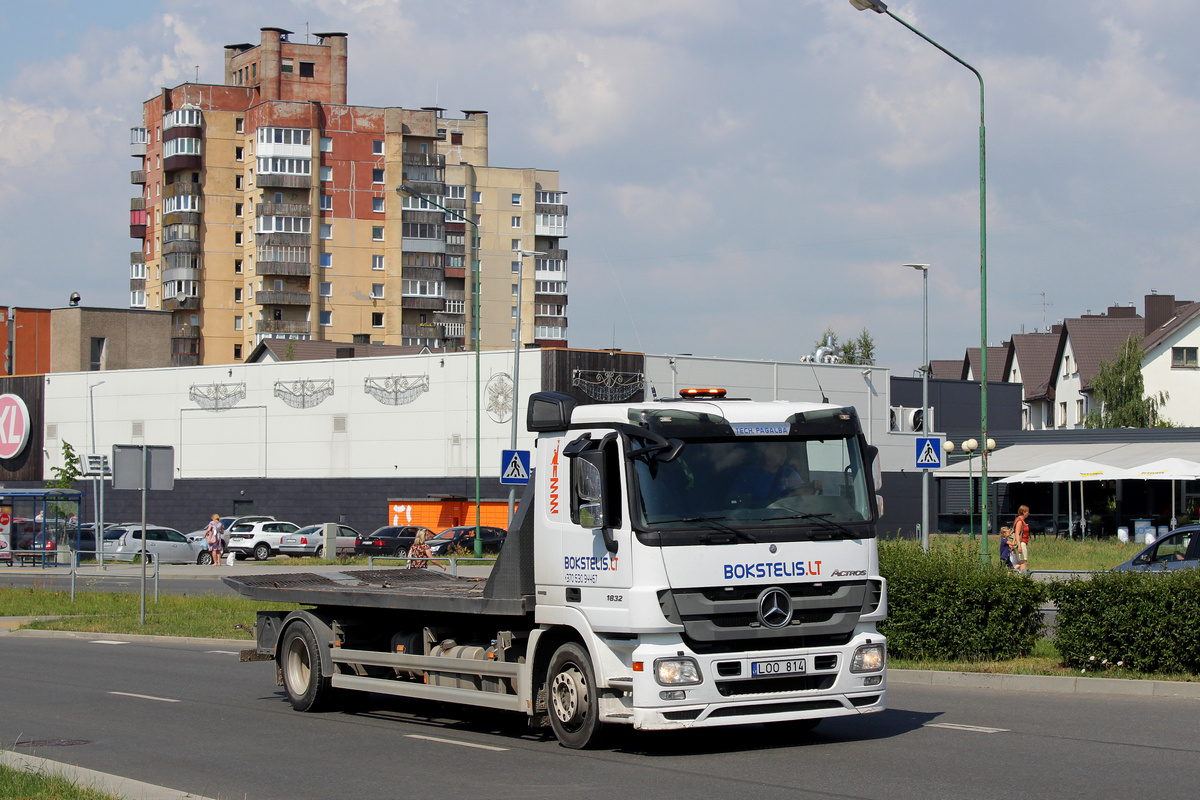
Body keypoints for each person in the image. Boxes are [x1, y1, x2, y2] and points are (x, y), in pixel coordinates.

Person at [1013, 505, 1031, 574]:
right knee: (1023, 561)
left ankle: (1011, 571)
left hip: (1024, 542)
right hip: (1021, 542)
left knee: (1021, 562)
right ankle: (1023, 577)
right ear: (1023, 512)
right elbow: (1017, 534)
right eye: (1027, 512)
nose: (1028, 513)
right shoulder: (1019, 521)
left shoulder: (1023, 521)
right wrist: (1019, 546)